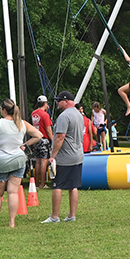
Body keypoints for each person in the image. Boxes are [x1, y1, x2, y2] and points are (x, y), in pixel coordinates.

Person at [0, 98, 44, 228]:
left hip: (1, 159)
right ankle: (12, 222)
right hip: (18, 159)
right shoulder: (22, 123)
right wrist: (25, 144)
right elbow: (39, 135)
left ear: (3, 110)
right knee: (13, 192)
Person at [43, 91, 85, 224]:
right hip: (78, 155)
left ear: (66, 101)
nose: (57, 103)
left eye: (59, 100)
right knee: (73, 186)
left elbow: (60, 137)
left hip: (65, 157)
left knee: (57, 186)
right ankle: (72, 215)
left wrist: (52, 156)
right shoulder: (79, 115)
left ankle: (54, 217)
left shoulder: (64, 116)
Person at [30, 95, 54, 188]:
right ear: (45, 103)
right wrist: (52, 140)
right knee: (44, 161)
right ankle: (42, 184)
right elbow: (48, 130)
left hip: (36, 139)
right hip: (44, 139)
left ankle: (36, 183)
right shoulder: (45, 115)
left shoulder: (34, 113)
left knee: (38, 162)